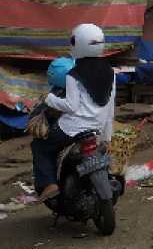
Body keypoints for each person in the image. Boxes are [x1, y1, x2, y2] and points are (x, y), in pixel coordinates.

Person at [30, 24, 115, 201]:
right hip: (97, 127)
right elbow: (110, 109)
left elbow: (71, 106)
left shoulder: (73, 74)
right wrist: (107, 138)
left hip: (73, 128)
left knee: (40, 146)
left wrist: (48, 99)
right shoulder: (110, 72)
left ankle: (49, 185)